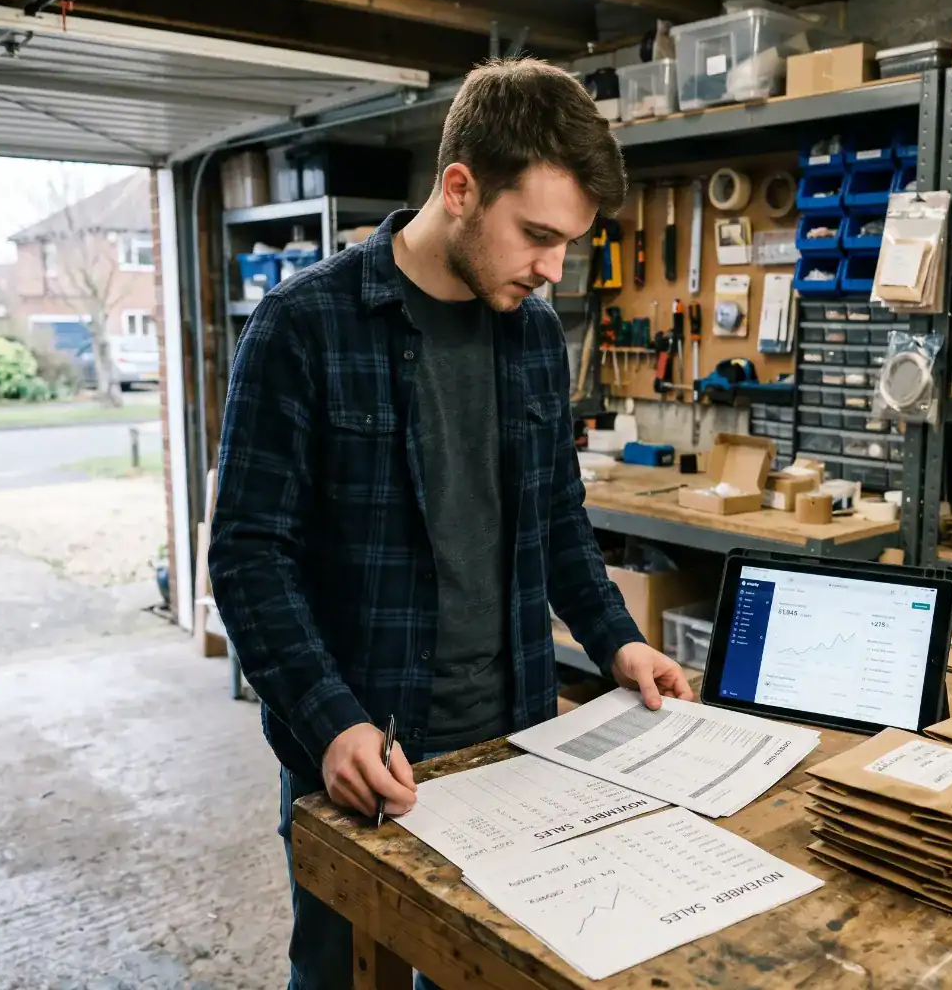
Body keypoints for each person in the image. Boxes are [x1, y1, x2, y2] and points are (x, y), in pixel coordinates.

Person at [208, 57, 692, 990]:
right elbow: (247, 559)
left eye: (568, 244)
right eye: (538, 236)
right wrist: (330, 723)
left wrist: (619, 644)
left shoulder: (534, 335)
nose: (554, 269)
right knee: (348, 977)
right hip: (365, 753)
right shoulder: (304, 326)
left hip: (512, 743)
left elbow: (556, 521)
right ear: (460, 187)